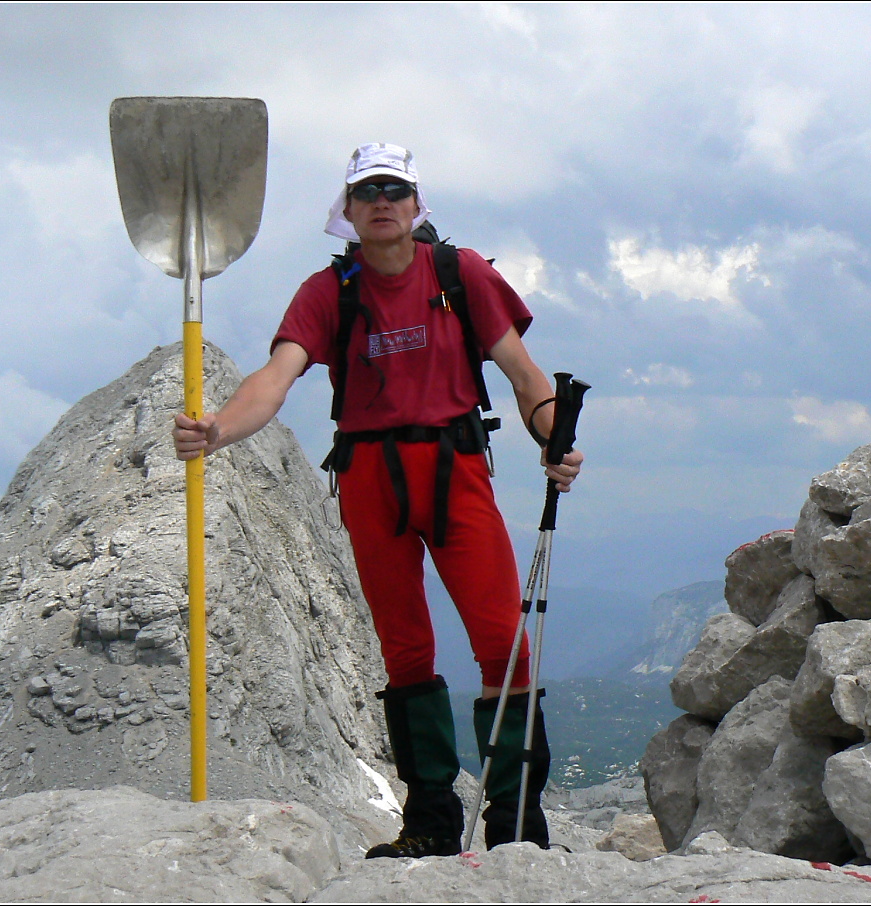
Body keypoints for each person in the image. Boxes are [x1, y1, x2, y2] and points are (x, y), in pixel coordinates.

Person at [173, 142, 583, 858]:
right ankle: (430, 824)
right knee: (406, 653)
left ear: (417, 203)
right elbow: (278, 376)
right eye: (369, 192)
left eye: (396, 189)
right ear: (349, 211)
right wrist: (218, 430)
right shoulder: (328, 292)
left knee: (504, 649)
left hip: (454, 471)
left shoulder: (463, 274)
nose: (384, 201)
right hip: (371, 479)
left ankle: (518, 830)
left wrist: (555, 438)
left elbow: (524, 376)